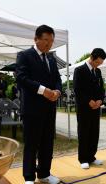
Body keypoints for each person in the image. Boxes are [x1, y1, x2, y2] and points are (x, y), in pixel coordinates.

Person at [16, 25, 62, 184]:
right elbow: (21, 78)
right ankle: (29, 177)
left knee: (47, 142)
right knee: (31, 143)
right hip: (32, 107)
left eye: (51, 41)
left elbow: (57, 78)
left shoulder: (50, 58)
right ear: (36, 39)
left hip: (49, 107)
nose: (49, 44)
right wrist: (44, 91)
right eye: (46, 40)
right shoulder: (24, 55)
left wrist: (57, 91)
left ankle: (44, 173)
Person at [73, 48, 106, 169]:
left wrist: (100, 100)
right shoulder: (79, 70)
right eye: (97, 62)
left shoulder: (98, 72)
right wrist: (88, 101)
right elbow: (77, 89)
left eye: (100, 63)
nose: (98, 65)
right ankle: (83, 158)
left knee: (94, 132)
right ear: (91, 58)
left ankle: (92, 156)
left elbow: (101, 89)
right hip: (84, 107)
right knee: (84, 132)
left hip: (96, 107)